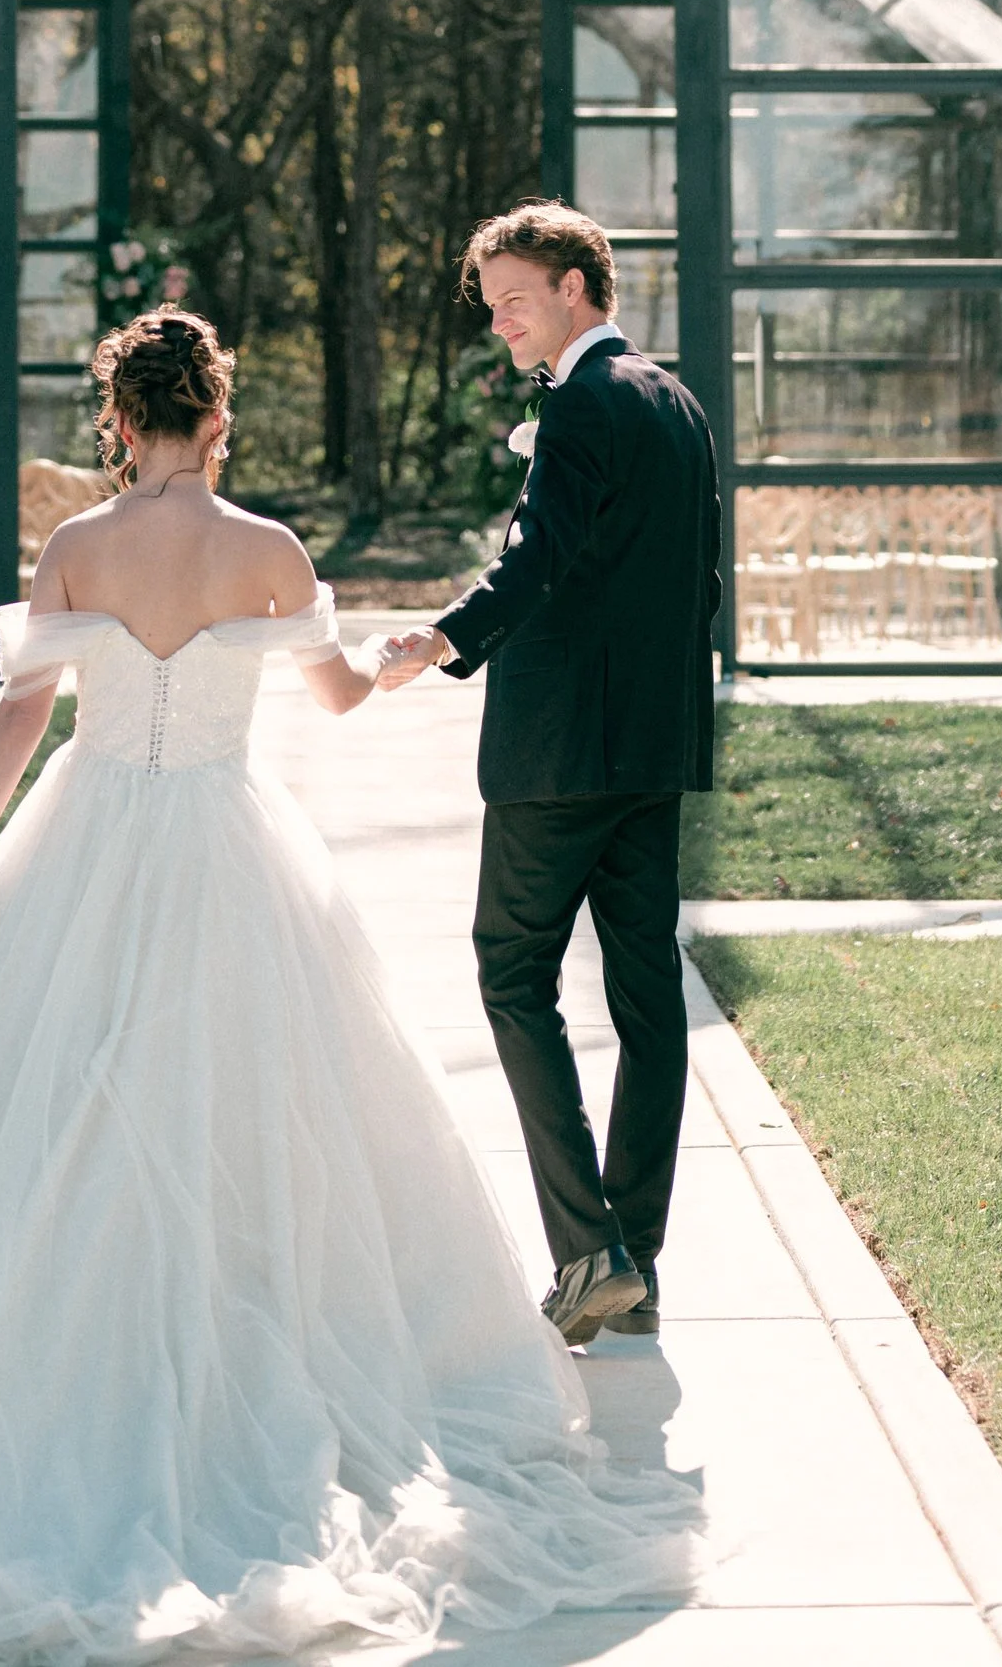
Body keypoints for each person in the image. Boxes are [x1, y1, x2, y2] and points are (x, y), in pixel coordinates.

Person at [0, 305, 695, 1667]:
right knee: (255, 1112)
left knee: (53, 1096)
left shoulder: (76, 547)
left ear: (119, 421)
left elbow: (24, 715)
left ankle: (49, 1360)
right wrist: (406, 650)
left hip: (86, 841)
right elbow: (333, 699)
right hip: (229, 844)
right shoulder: (270, 550)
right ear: (217, 416)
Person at [376, 205, 722, 1350]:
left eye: (515, 298)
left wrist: (441, 636)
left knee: (512, 971)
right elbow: (693, 587)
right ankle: (638, 1258)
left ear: (580, 287)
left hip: (559, 757)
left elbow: (540, 555)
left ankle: (588, 1250)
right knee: (644, 994)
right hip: (650, 751)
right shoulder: (674, 403)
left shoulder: (578, 403)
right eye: (492, 305)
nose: (501, 322)